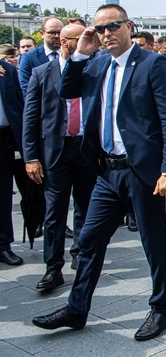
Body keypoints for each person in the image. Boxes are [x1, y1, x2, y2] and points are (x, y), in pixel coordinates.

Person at [32, 4, 166, 341]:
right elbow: (67, 90)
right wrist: (80, 55)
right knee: (89, 240)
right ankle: (76, 309)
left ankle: (162, 309)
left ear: (128, 26)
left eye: (113, 26)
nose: (106, 34)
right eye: (99, 29)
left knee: (154, 243)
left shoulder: (152, 64)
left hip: (142, 171)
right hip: (106, 170)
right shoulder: (97, 62)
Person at [22, 23, 95, 290]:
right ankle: (53, 267)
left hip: (86, 149)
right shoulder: (42, 73)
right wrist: (31, 156)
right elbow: (30, 118)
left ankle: (80, 254)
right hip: (55, 151)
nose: (89, 42)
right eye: (82, 38)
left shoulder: (92, 68)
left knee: (86, 208)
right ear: (65, 42)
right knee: (55, 212)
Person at [0, 58, 24, 266]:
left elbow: (19, 104)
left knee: (3, 194)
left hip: (4, 140)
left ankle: (3, 245)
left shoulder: (7, 69)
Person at [19, 16, 63, 96]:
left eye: (59, 32)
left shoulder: (71, 55)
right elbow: (26, 88)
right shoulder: (29, 58)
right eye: (52, 33)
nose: (57, 36)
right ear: (42, 34)